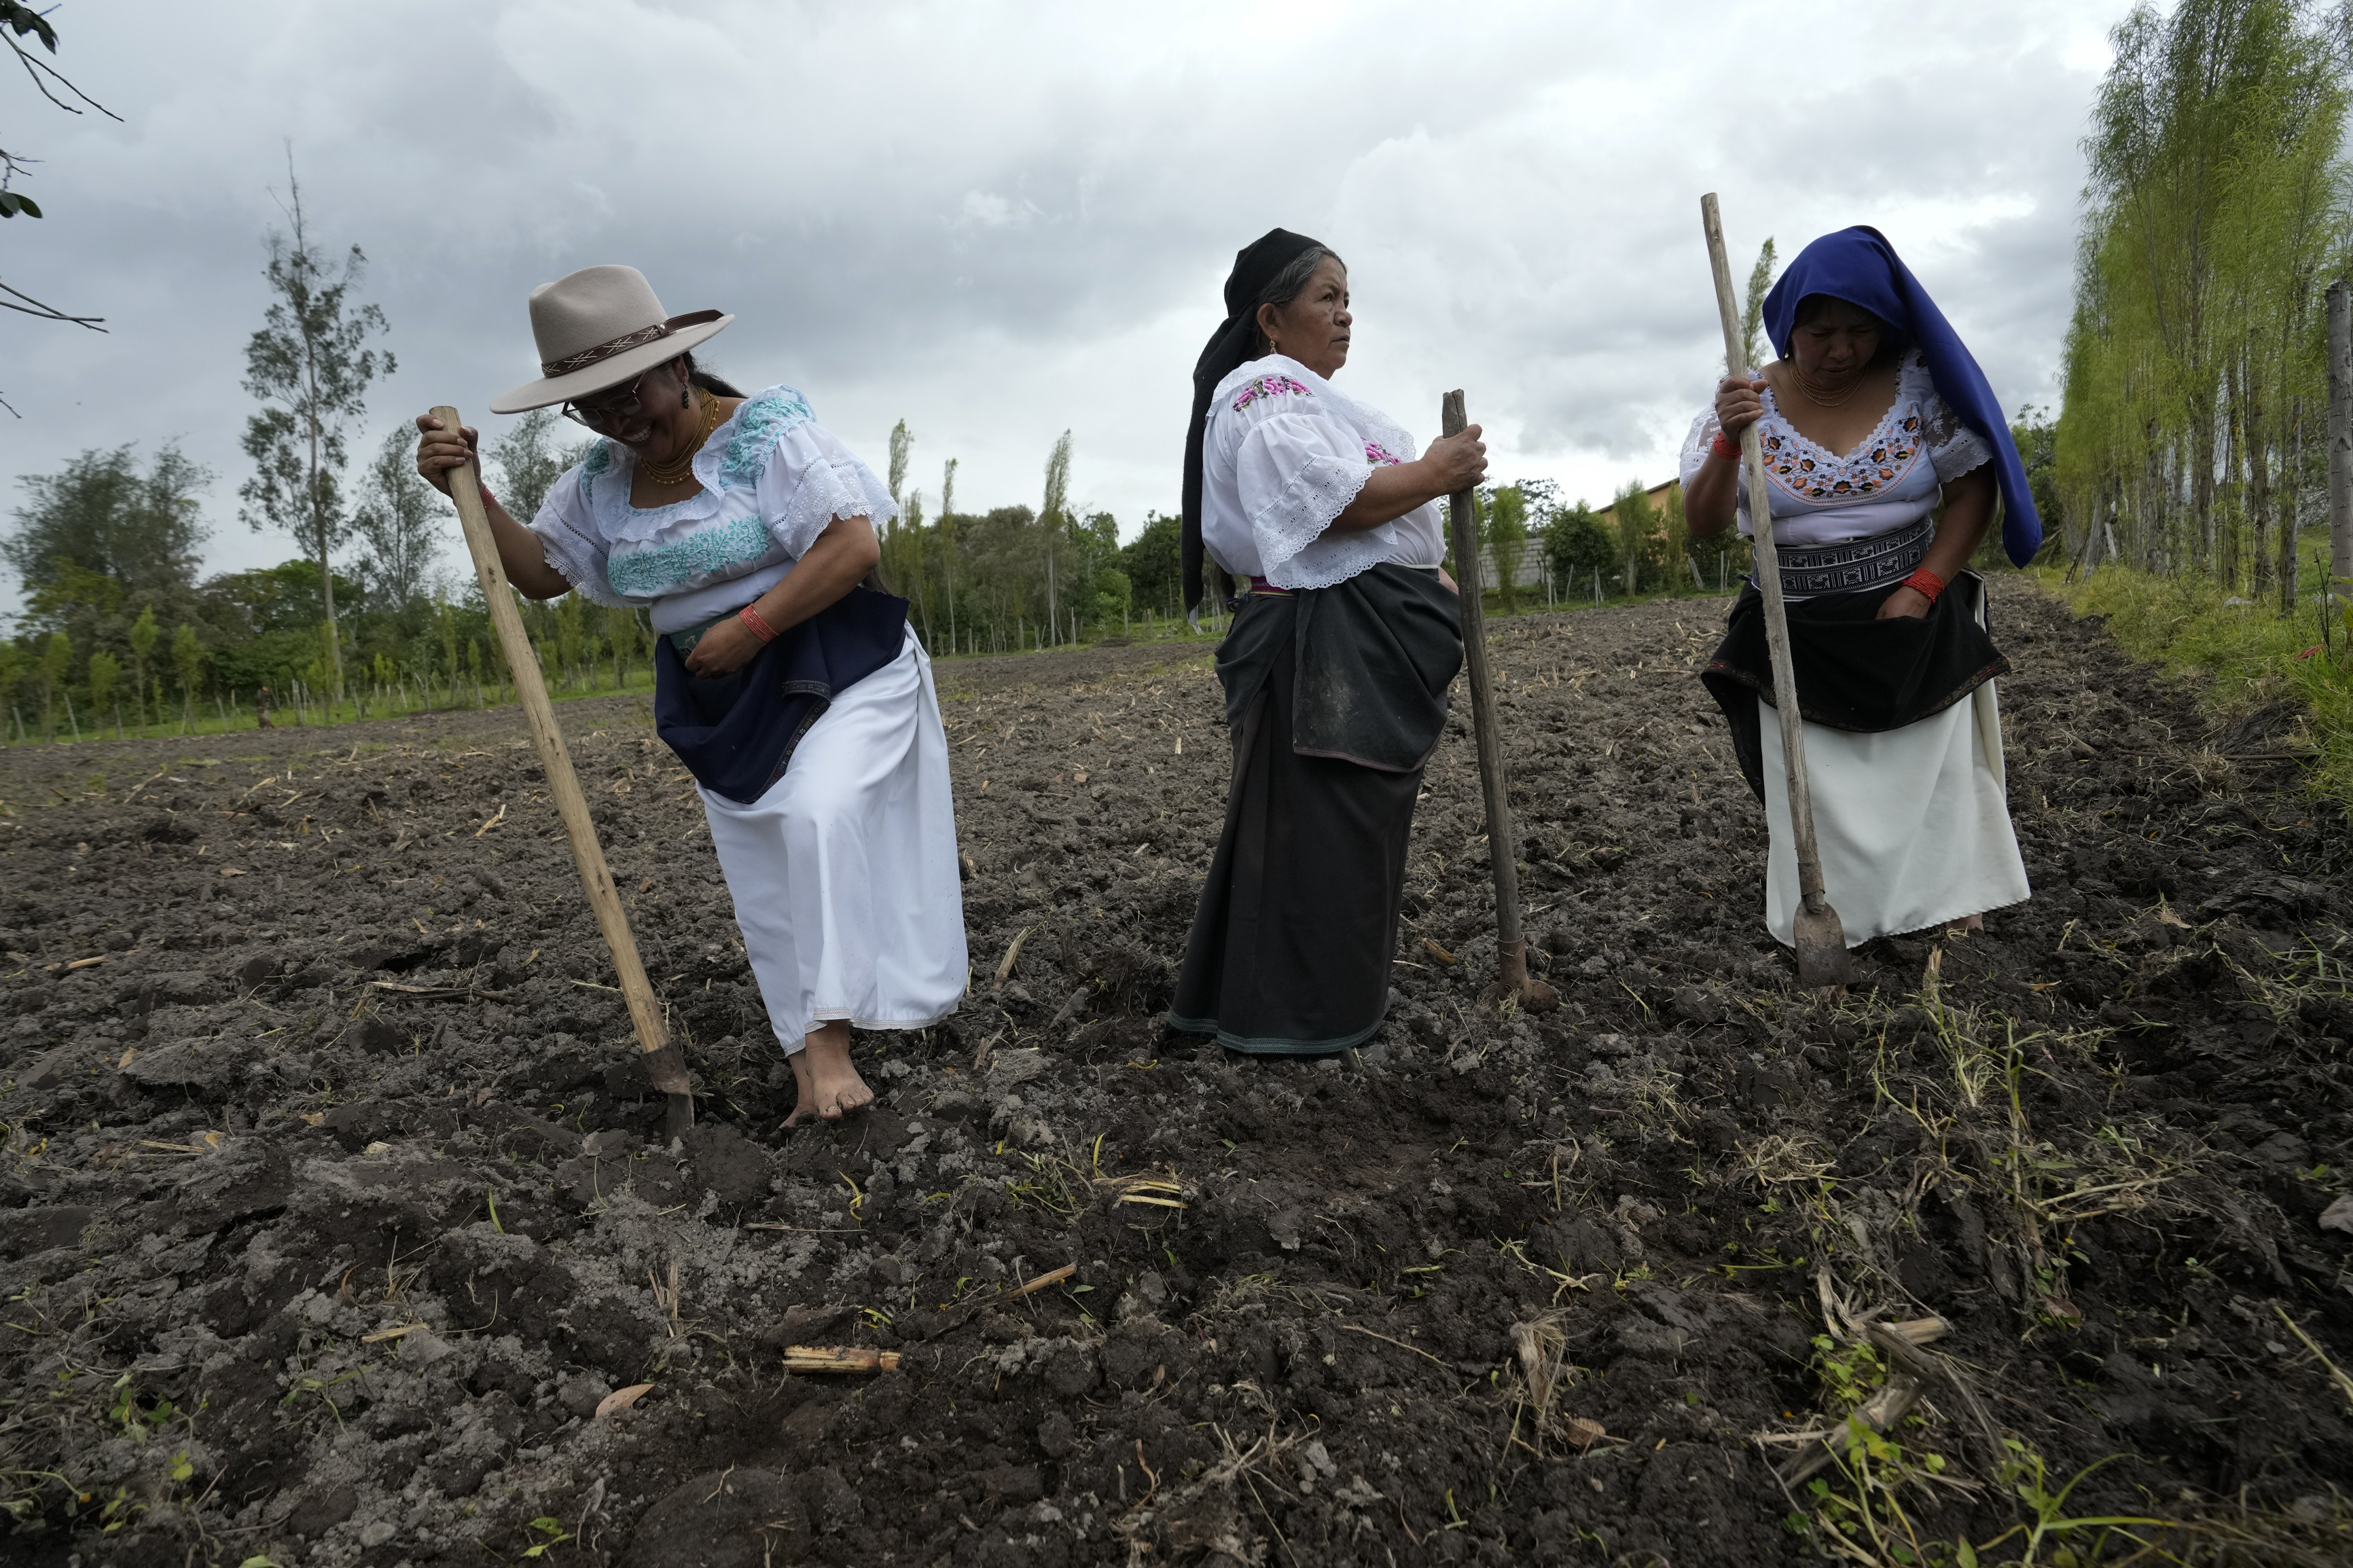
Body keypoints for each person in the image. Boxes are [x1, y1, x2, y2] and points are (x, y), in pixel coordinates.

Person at [414, 264, 965, 1124]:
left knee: (819, 814)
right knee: (763, 872)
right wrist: (472, 490)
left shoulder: (763, 435)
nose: (613, 418)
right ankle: (801, 1067)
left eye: (624, 392)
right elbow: (543, 576)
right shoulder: (601, 481)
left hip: (834, 662)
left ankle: (832, 1051)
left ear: (677, 366)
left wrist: (751, 627)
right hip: (718, 697)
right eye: (589, 405)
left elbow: (851, 546)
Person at [1169, 228, 1484, 1056]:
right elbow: (1318, 502)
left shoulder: (1317, 399)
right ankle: (1289, 1024)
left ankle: (1328, 1006)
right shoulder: (1260, 390)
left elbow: (1363, 530)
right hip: (1315, 644)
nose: (1345, 316)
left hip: (1363, 635)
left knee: (1345, 835)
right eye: (1327, 298)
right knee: (1310, 834)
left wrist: (1429, 574)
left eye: (1348, 300)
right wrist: (1435, 471)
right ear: (1271, 319)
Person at [1681, 226, 2039, 949]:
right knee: (1818, 784)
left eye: (1857, 331)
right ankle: (1835, 909)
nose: (1839, 348)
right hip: (1795, 620)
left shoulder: (1917, 384)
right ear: (1788, 328)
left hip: (1909, 605)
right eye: (1818, 333)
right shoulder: (1746, 400)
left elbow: (1973, 491)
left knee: (1930, 771)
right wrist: (1727, 439)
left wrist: (1925, 586)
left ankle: (1947, 896)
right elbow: (1703, 521)